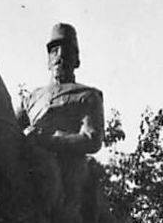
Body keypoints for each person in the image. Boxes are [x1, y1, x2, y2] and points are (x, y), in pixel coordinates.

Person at [15, 23, 104, 209]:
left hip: (68, 173)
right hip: (30, 166)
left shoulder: (88, 96)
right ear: (48, 60)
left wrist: (48, 140)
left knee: (67, 219)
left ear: (77, 59)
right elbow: (7, 129)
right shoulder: (31, 99)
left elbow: (91, 140)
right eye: (54, 50)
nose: (60, 55)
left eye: (67, 50)